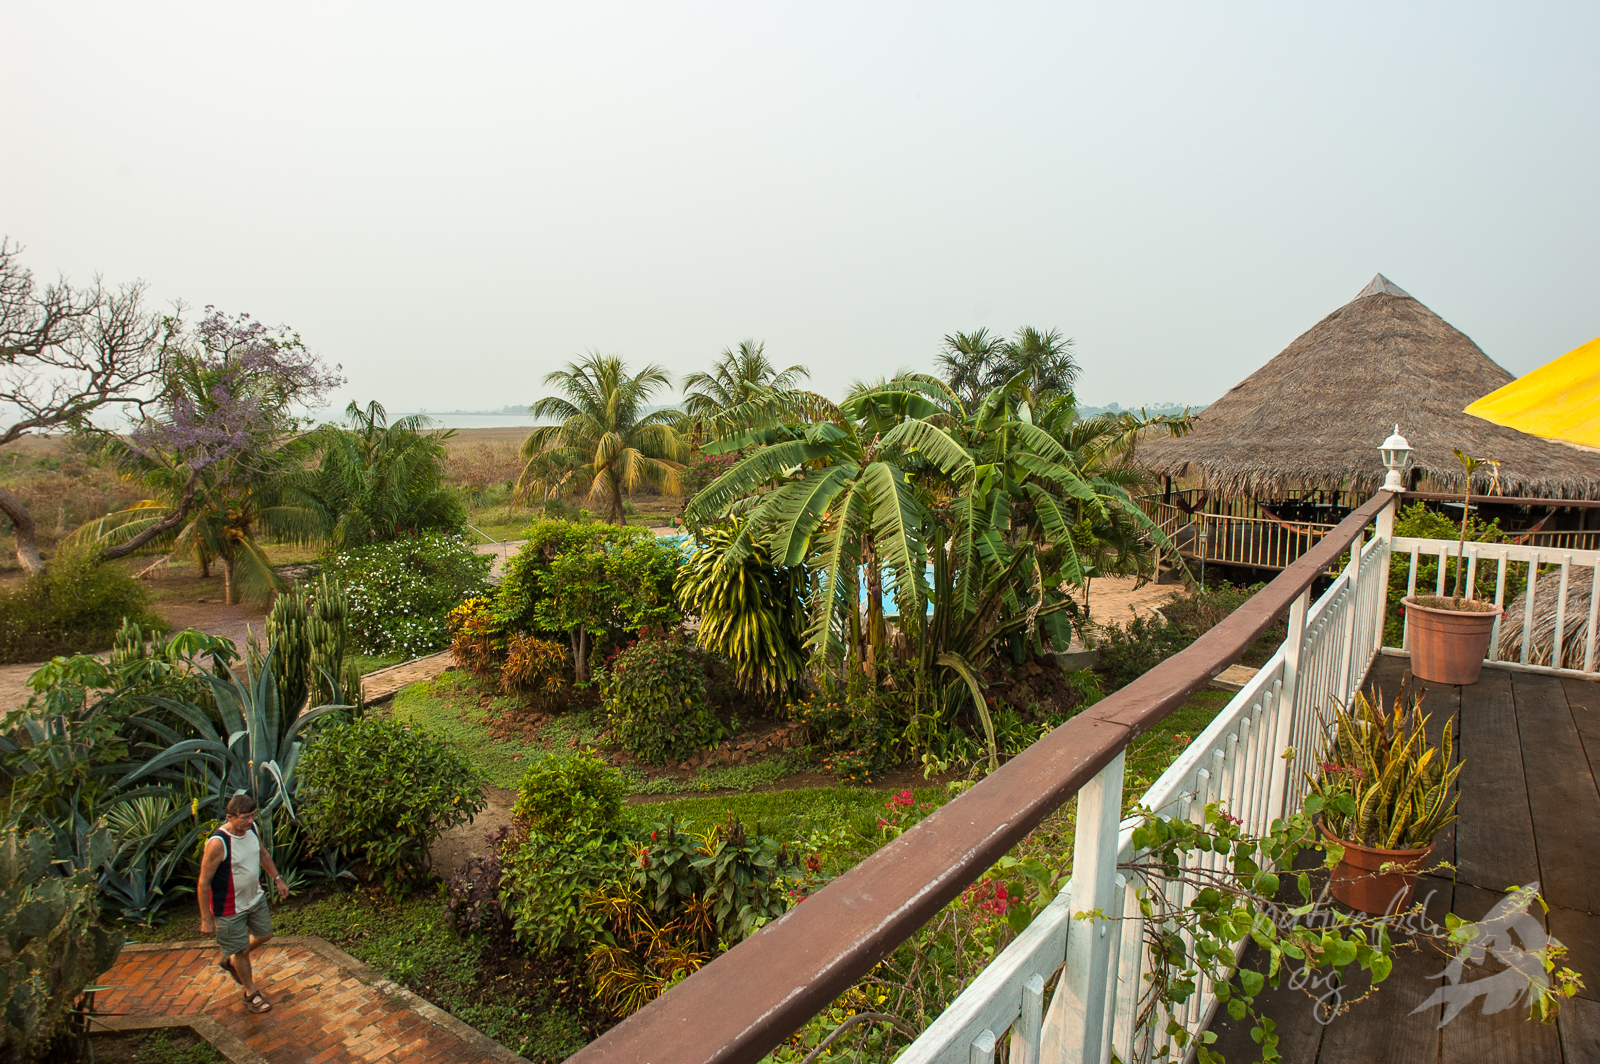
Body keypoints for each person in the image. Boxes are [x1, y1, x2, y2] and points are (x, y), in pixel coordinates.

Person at [197, 794, 289, 1014]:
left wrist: (277, 879)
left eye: (252, 816)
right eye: (245, 817)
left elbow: (263, 855)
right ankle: (251, 993)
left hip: (254, 898)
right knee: (241, 952)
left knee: (265, 934)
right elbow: (203, 882)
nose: (250, 821)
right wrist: (206, 919)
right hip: (229, 908)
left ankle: (231, 958)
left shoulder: (252, 830)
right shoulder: (219, 843)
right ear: (230, 817)